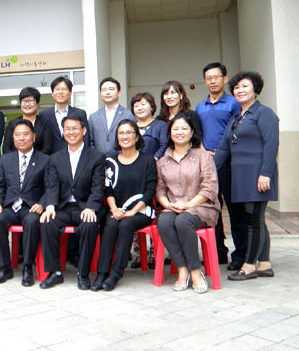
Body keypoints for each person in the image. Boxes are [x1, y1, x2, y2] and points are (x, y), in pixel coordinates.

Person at [215, 72, 278, 281]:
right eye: (237, 87)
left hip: (258, 175)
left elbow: (271, 145)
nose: (240, 90)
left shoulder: (264, 113)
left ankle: (249, 266)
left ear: (255, 89)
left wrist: (266, 174)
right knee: (256, 220)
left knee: (254, 221)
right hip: (240, 177)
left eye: (245, 86)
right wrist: (208, 172)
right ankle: (265, 264)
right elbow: (223, 149)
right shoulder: (237, 118)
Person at [39, 113, 105, 290]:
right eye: (67, 129)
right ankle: (55, 272)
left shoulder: (96, 157)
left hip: (85, 206)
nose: (71, 132)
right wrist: (50, 206)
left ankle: (83, 273)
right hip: (63, 207)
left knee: (89, 225)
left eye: (75, 128)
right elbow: (52, 185)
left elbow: (98, 187)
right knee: (47, 222)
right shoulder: (55, 158)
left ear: (83, 131)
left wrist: (91, 207)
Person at [156, 113, 220, 294]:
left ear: (192, 132)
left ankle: (195, 271)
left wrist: (188, 204)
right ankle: (182, 269)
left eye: (184, 128)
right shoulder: (163, 161)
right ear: (170, 133)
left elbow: (209, 187)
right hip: (173, 206)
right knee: (164, 222)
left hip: (201, 206)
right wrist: (167, 204)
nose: (179, 132)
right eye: (175, 129)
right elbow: (160, 189)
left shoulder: (203, 156)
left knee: (183, 221)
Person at [91, 120, 157, 291]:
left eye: (129, 132)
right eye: (121, 133)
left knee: (126, 224)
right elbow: (108, 190)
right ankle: (102, 273)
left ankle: (116, 273)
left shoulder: (148, 161)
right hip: (117, 208)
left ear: (137, 137)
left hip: (142, 210)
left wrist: (133, 211)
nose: (125, 136)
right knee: (111, 223)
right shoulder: (110, 161)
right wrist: (114, 209)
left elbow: (150, 191)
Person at [0, 119, 49, 286]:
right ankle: (5, 267)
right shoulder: (5, 159)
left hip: (31, 207)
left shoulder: (45, 159)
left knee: (31, 221)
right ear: (13, 138)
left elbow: (50, 187)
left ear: (33, 137)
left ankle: (28, 267)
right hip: (10, 206)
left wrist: (42, 204)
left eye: (25, 134)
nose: (21, 138)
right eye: (17, 135)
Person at [196, 62, 242, 268]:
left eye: (216, 77)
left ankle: (240, 255)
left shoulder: (233, 103)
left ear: (225, 79)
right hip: (207, 165)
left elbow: (236, 131)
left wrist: (220, 151)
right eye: (208, 78)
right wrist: (203, 151)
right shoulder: (200, 107)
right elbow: (198, 133)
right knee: (211, 210)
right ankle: (217, 252)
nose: (212, 81)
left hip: (228, 164)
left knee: (234, 209)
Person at [39, 76, 90, 153]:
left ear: (70, 93)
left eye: (64, 89)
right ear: (52, 93)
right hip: (51, 157)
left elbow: (85, 138)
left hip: (75, 155)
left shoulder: (80, 113)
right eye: (57, 89)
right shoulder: (44, 115)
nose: (60, 92)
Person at [89, 77, 136, 157]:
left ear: (119, 93)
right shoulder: (93, 117)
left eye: (111, 89)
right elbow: (90, 142)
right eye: (104, 90)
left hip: (123, 160)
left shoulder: (129, 115)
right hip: (99, 161)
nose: (107, 92)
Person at [3, 87, 53, 155]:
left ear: (37, 104)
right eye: (24, 101)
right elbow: (6, 148)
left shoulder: (45, 124)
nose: (27, 104)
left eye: (31, 101)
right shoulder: (12, 124)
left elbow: (47, 149)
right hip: (15, 161)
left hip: (39, 161)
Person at [131, 93, 168, 159]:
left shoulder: (161, 125)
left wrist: (154, 160)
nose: (140, 108)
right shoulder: (130, 127)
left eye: (143, 104)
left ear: (152, 107)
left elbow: (164, 146)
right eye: (136, 106)